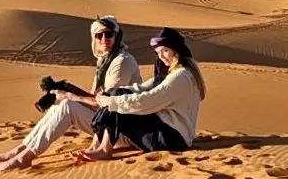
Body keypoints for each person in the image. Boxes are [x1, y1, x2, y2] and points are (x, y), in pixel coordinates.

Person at [0, 16, 141, 172]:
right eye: (98, 35)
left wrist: (69, 95)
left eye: (108, 34)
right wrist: (67, 89)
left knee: (68, 105)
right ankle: (21, 149)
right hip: (107, 126)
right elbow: (94, 97)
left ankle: (25, 158)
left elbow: (106, 104)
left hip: (121, 132)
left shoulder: (122, 62)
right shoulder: (105, 61)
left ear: (117, 35)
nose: (104, 39)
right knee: (61, 103)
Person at [78, 27, 206, 161]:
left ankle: (104, 150)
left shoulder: (179, 77)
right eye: (158, 52)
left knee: (120, 103)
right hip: (172, 135)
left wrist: (111, 101)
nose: (161, 56)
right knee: (118, 94)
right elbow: (143, 88)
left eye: (165, 51)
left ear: (176, 49)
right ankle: (97, 147)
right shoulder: (179, 73)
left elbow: (148, 101)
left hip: (171, 139)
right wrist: (110, 94)